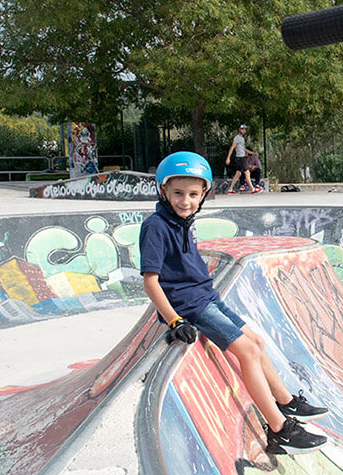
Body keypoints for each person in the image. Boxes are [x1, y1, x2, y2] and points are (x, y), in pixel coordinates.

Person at [140, 152, 327, 454]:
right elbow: (151, 282)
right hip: (190, 307)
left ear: (203, 194)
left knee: (257, 341)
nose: (185, 201)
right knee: (248, 351)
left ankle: (285, 401)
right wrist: (174, 321)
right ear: (163, 191)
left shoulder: (185, 220)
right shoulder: (156, 226)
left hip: (206, 295)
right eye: (177, 193)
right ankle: (279, 429)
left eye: (192, 194)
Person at [225, 124, 261, 194]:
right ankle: (253, 189)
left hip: (240, 157)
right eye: (242, 129)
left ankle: (230, 189)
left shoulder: (242, 139)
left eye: (244, 129)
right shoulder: (237, 138)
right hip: (240, 158)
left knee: (238, 173)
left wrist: (253, 153)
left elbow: (244, 149)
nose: (244, 130)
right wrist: (228, 158)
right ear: (239, 129)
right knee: (247, 172)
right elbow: (232, 147)